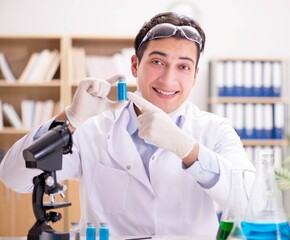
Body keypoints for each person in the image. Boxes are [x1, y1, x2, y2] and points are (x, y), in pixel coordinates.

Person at [0, 12, 256, 237]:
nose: (168, 79)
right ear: (135, 65)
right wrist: (70, 120)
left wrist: (187, 149)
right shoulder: (92, 129)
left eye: (183, 67)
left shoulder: (215, 130)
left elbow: (249, 203)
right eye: (157, 62)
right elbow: (13, 177)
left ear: (195, 75)